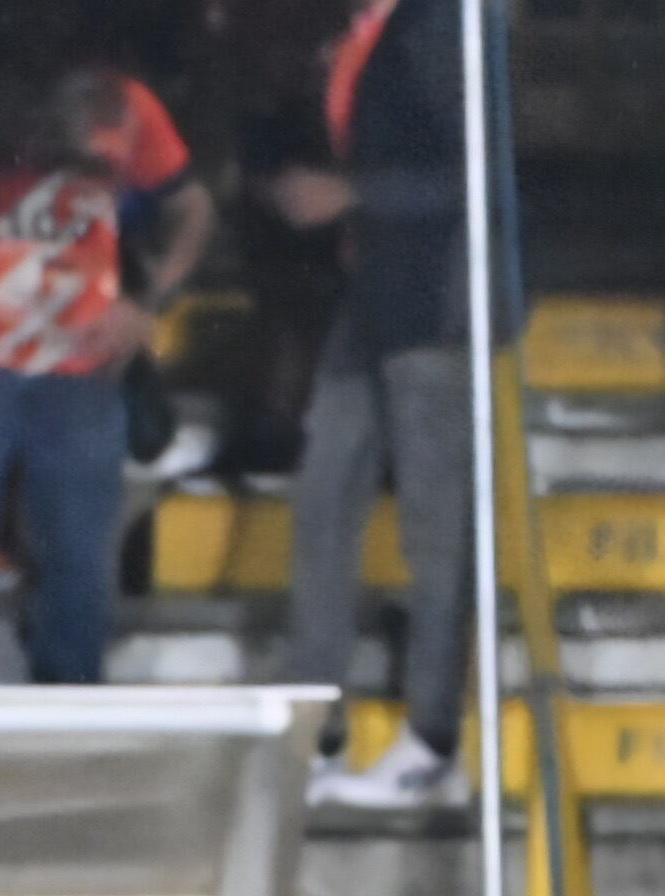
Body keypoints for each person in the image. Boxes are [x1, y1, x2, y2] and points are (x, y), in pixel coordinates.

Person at [0, 60, 211, 687]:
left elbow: (192, 206)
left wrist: (147, 303)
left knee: (79, 557)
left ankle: (69, 703)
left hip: (79, 362)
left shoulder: (122, 101)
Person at [277, 0, 504, 811]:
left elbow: (478, 171)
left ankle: (434, 741)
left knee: (434, 531)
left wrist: (351, 193)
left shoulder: (443, 22)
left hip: (434, 302)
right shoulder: (368, 27)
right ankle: (315, 731)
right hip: (373, 295)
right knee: (323, 500)